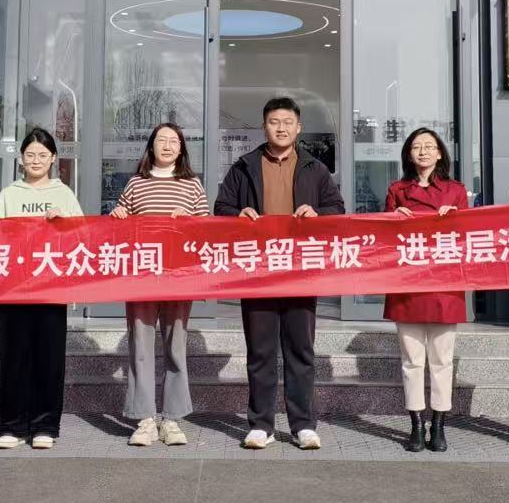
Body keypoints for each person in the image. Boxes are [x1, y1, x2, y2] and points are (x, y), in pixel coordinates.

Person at [214, 96, 345, 450]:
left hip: (300, 272)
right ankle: (261, 425)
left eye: (288, 122)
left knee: (300, 350)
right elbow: (221, 208)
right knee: (260, 351)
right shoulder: (244, 167)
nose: (281, 128)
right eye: (274, 122)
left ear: (298, 127)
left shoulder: (315, 168)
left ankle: (303, 425)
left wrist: (317, 213)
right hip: (257, 272)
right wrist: (238, 214)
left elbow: (337, 209)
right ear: (264, 127)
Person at [111, 123, 209, 447]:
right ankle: (144, 419)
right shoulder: (136, 183)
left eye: (174, 141)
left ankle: (171, 419)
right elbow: (119, 227)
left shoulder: (192, 185)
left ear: (181, 149)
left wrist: (190, 221)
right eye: (162, 140)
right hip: (142, 276)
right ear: (151, 146)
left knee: (175, 346)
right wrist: (118, 214)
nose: (167, 146)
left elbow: (207, 230)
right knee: (140, 346)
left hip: (179, 277)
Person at [0, 127, 83, 451]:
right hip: (14, 289)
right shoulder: (9, 194)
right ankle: (11, 425)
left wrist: (64, 224)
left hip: (50, 288)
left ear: (54, 158)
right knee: (13, 357)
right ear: (21, 158)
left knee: (49, 358)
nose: (36, 160)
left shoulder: (64, 194)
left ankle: (45, 425)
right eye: (30, 154)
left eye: (43, 155)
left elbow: (82, 239)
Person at [384, 127, 470, 454]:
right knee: (411, 361)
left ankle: (440, 423)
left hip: (444, 286)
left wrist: (455, 219)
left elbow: (468, 237)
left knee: (442, 360)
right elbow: (383, 241)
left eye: (429, 146)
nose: (423, 151)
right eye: (416, 146)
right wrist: (393, 218)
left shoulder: (455, 191)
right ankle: (416, 424)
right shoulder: (397, 190)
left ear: (439, 153)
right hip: (407, 285)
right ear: (408, 154)